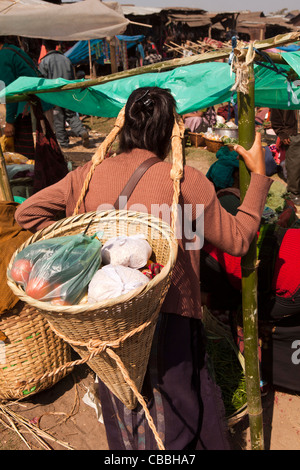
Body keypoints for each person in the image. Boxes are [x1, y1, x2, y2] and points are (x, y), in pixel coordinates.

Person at [15, 86, 272, 450]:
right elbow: (239, 240)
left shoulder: (87, 175)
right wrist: (259, 177)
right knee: (176, 415)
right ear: (170, 132)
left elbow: (27, 213)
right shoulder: (183, 180)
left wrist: (78, 250)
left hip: (106, 318)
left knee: (125, 408)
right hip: (170, 314)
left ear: (125, 127)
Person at [0, 37, 52, 159]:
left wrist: (9, 122)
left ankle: (35, 175)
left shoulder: (3, 55)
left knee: (26, 155)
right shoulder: (12, 50)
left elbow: (10, 91)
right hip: (36, 104)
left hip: (27, 108)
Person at [39, 40, 89, 149]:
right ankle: (82, 131)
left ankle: (63, 143)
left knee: (58, 119)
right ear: (56, 47)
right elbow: (72, 76)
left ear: (46, 48)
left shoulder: (44, 62)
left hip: (55, 95)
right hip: (68, 92)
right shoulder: (66, 59)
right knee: (71, 115)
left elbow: (43, 81)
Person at [270, 108, 300, 205]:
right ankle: (293, 192)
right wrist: (282, 133)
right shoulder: (286, 94)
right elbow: (276, 115)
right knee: (294, 165)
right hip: (294, 134)